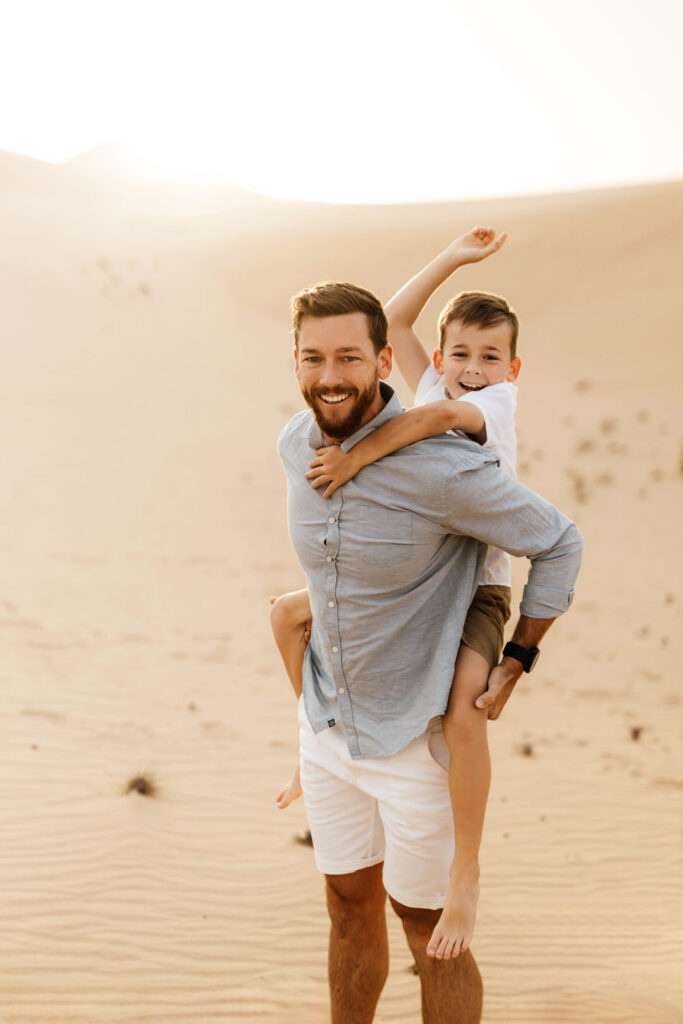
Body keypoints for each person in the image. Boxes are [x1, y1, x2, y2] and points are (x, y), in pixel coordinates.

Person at [275, 275, 582, 1024]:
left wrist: (519, 657)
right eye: (313, 358)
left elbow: (560, 542)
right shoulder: (294, 443)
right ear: (295, 363)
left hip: (416, 740)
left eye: (349, 357)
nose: (330, 376)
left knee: (426, 931)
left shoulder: (445, 466)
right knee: (347, 905)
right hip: (330, 731)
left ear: (384, 360)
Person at [274, 228, 517, 960]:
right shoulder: (435, 376)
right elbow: (393, 323)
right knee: (288, 615)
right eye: (461, 356)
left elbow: (436, 419)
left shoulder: (488, 406)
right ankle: (316, 738)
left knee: (462, 712)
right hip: (405, 582)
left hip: (476, 585)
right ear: (439, 360)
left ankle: (465, 868)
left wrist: (357, 454)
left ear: (512, 368)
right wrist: (450, 257)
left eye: (491, 357)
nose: (472, 371)